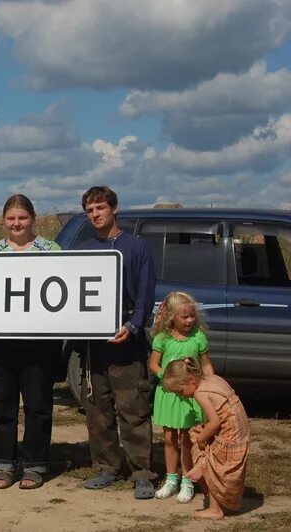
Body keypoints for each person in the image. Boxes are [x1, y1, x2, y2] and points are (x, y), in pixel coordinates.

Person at [77, 185, 157, 499]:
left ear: (114, 209)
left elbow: (145, 293)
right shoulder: (82, 250)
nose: (95, 214)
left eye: (100, 208)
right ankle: (107, 467)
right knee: (97, 408)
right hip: (93, 341)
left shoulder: (136, 247)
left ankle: (142, 472)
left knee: (133, 407)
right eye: (89, 210)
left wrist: (133, 325)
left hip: (127, 338)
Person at [0, 194, 62, 490]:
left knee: (37, 406)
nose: (17, 223)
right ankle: (5, 465)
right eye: (11, 218)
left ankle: (35, 465)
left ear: (33, 219)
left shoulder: (51, 250)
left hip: (38, 344)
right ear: (4, 221)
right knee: (3, 407)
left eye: (22, 218)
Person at [162, 358, 249, 520]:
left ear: (190, 380)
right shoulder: (212, 378)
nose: (182, 397)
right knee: (197, 433)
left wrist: (201, 439)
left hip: (229, 432)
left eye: (180, 392)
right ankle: (209, 481)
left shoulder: (200, 393)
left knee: (207, 453)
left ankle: (215, 508)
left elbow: (215, 422)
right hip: (240, 428)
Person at [149, 291, 215, 504]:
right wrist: (166, 377)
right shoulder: (162, 338)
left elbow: (206, 365)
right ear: (172, 317)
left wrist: (211, 386)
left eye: (192, 316)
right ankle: (171, 479)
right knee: (169, 438)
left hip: (191, 397)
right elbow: (153, 364)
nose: (189, 320)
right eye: (184, 317)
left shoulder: (198, 337)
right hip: (169, 394)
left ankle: (188, 481)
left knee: (187, 439)